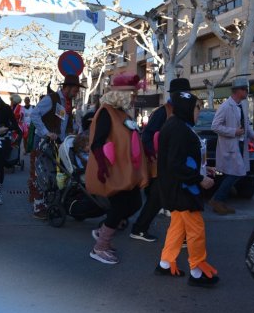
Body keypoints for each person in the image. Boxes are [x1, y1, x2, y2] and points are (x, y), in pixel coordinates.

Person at [155, 91, 219, 287]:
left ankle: (165, 263)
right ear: (187, 109)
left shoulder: (178, 125)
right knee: (195, 229)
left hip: (178, 187)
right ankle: (198, 271)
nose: (198, 111)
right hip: (183, 188)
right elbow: (176, 164)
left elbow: (180, 159)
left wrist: (202, 169)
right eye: (197, 107)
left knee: (178, 227)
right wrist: (199, 178)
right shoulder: (179, 128)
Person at [85, 72, 148, 264]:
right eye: (133, 94)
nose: (135, 98)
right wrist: (102, 167)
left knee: (135, 203)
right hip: (113, 170)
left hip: (127, 171)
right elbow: (97, 142)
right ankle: (100, 247)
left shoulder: (122, 113)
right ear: (123, 94)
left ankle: (103, 230)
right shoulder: (106, 112)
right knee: (120, 206)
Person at [130, 77, 191, 243]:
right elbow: (148, 135)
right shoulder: (163, 111)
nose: (186, 96)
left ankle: (141, 228)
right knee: (166, 198)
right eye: (184, 94)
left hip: (175, 163)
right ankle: (141, 229)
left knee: (162, 199)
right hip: (163, 165)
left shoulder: (182, 110)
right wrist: (155, 154)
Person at [29, 74, 84, 219]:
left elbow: (64, 123)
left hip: (57, 144)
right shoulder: (51, 99)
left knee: (52, 174)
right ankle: (38, 207)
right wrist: (46, 132)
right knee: (40, 174)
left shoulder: (67, 102)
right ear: (68, 88)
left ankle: (47, 203)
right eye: (76, 90)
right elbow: (34, 115)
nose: (77, 93)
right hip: (43, 142)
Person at [210, 77, 254, 215]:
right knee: (235, 173)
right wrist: (233, 132)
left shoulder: (241, 106)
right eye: (245, 89)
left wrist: (252, 134)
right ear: (238, 91)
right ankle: (217, 200)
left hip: (240, 145)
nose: (247, 92)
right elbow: (215, 126)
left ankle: (219, 201)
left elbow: (246, 123)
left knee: (234, 173)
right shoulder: (225, 107)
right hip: (230, 146)